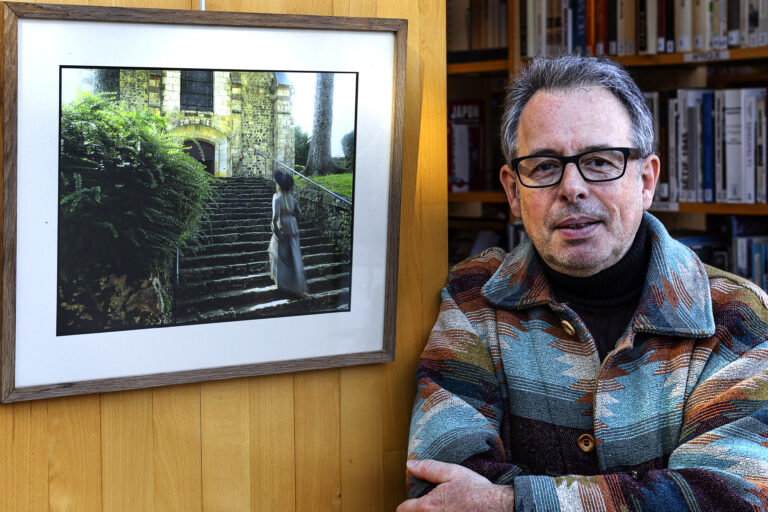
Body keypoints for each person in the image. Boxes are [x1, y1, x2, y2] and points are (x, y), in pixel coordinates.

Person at [399, 55, 768, 511]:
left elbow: (731, 498)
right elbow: (441, 490)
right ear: (514, 192)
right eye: (544, 166)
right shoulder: (474, 299)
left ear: (646, 179)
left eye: (598, 161)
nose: (572, 187)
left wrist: (508, 502)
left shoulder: (738, 317)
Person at [268, 170, 309, 298]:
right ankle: (298, 285)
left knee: (280, 255)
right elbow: (299, 214)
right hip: (293, 228)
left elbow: (275, 217)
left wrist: (277, 232)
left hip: (282, 228)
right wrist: (292, 220)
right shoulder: (292, 198)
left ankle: (284, 283)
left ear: (279, 185)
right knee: (294, 256)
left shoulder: (277, 197)